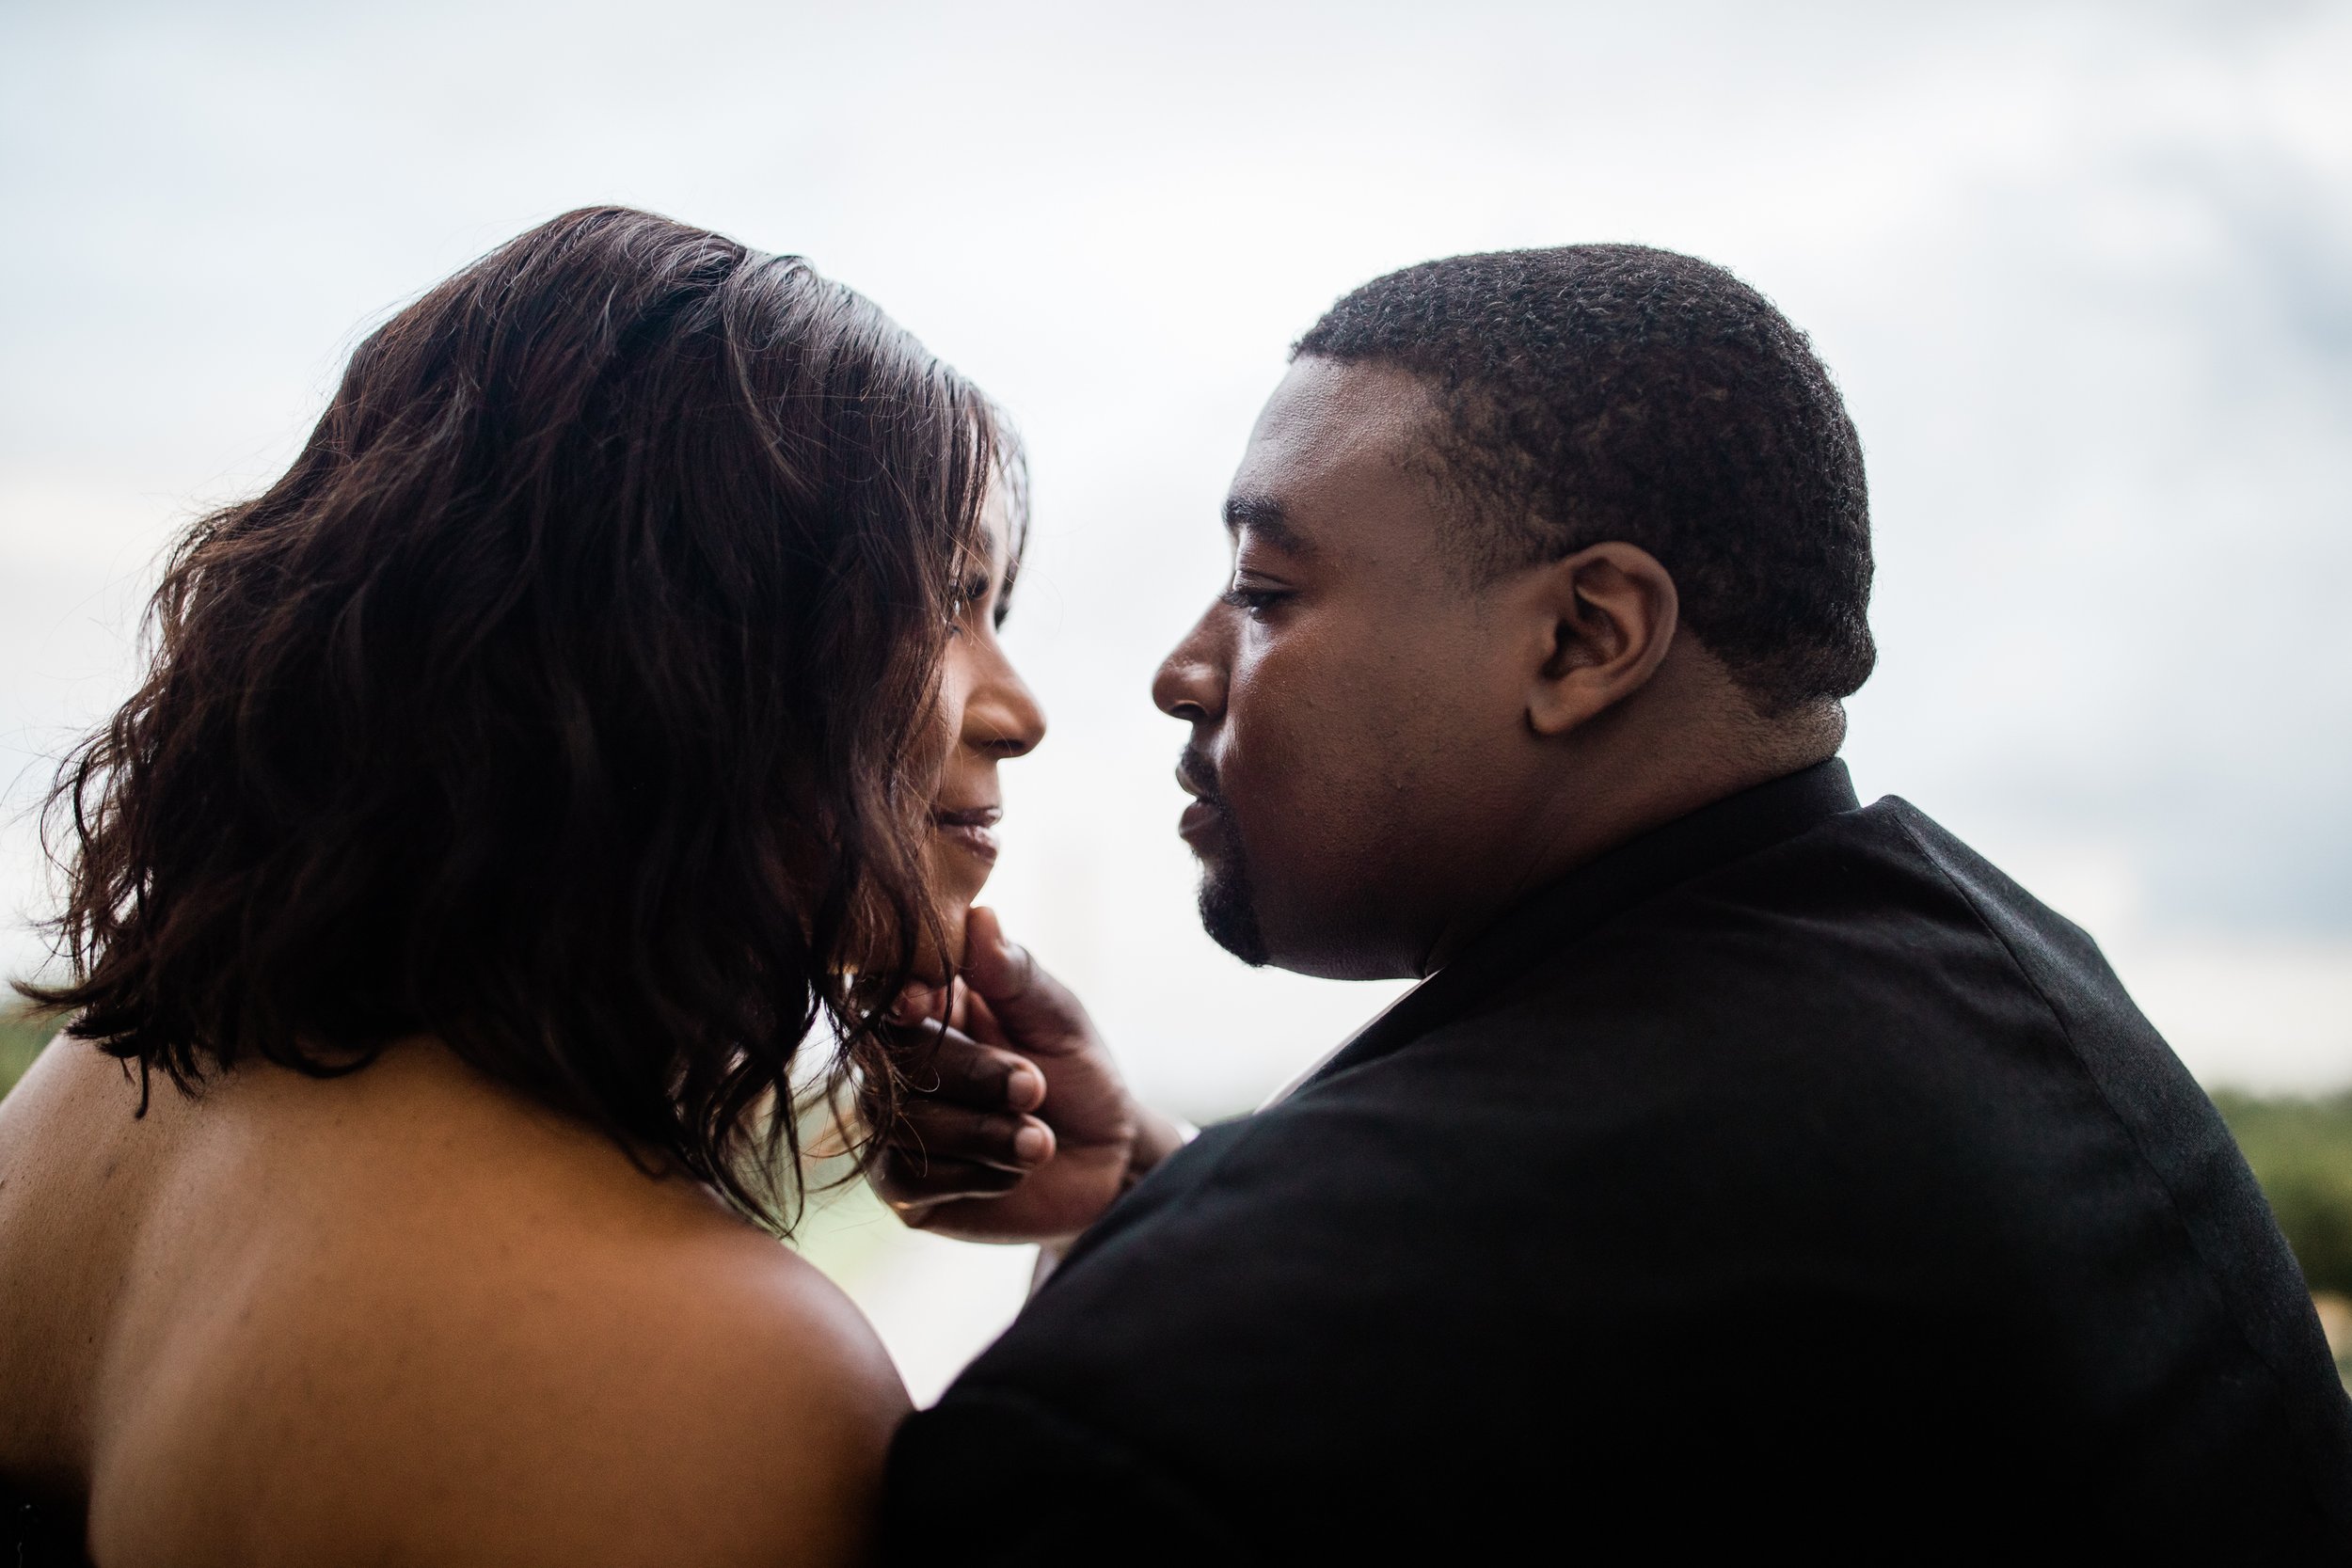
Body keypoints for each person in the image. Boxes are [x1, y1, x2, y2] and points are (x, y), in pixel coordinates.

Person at [876, 246, 2352, 1560]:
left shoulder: (1180, 1395)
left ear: (1587, 636)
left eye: (1266, 592)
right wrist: (1156, 1180)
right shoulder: (2016, 992)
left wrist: (1181, 1261)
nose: (1179, 672)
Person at [0, 206, 1049, 1567]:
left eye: (999, 617)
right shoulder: (685, 1375)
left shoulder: (103, 1090)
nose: (1017, 709)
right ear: (681, 632)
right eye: (948, 599)